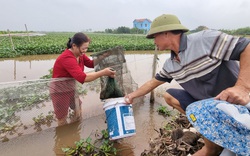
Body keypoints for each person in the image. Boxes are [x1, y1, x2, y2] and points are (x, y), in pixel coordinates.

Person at [124, 14, 250, 156]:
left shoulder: (205, 40)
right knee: (169, 95)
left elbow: (247, 47)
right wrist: (131, 96)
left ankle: (222, 137)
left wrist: (242, 88)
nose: (153, 42)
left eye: (154, 37)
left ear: (166, 33)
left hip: (235, 105)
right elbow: (152, 82)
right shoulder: (171, 64)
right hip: (207, 110)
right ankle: (210, 134)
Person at [50, 32, 115, 125]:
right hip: (59, 91)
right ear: (74, 46)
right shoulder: (67, 58)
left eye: (86, 48)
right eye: (83, 48)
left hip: (70, 88)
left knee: (78, 108)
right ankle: (62, 135)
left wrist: (102, 56)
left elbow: (90, 63)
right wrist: (103, 72)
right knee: (62, 118)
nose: (85, 51)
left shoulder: (80, 55)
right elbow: (83, 78)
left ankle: (76, 129)